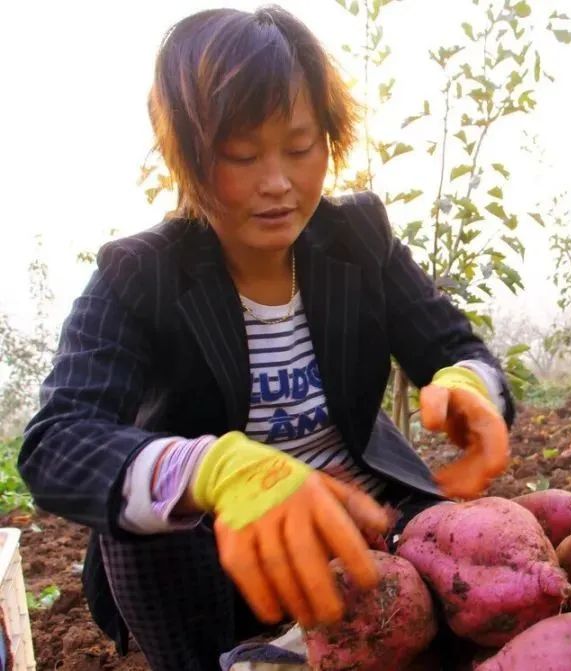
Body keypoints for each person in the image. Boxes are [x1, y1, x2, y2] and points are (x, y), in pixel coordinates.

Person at [18, 6, 515, 670]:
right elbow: (57, 442)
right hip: (222, 568)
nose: (277, 182)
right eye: (242, 155)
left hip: (364, 529)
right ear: (188, 158)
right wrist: (218, 469)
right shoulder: (141, 275)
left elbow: (454, 346)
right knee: (151, 524)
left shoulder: (358, 239)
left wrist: (466, 388)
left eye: (301, 147)